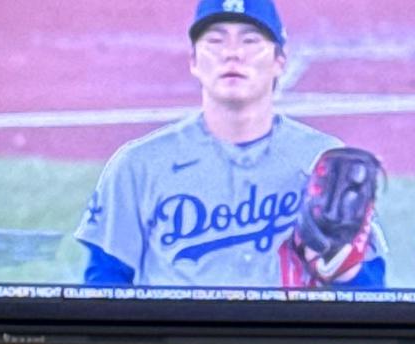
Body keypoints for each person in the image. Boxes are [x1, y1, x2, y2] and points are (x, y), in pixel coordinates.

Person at [75, 0, 385, 288]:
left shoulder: (323, 161)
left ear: (280, 61)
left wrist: (346, 273)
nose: (232, 53)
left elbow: (372, 290)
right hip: (178, 341)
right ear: (194, 61)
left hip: (291, 342)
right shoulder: (138, 164)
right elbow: (102, 285)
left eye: (250, 41)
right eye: (215, 41)